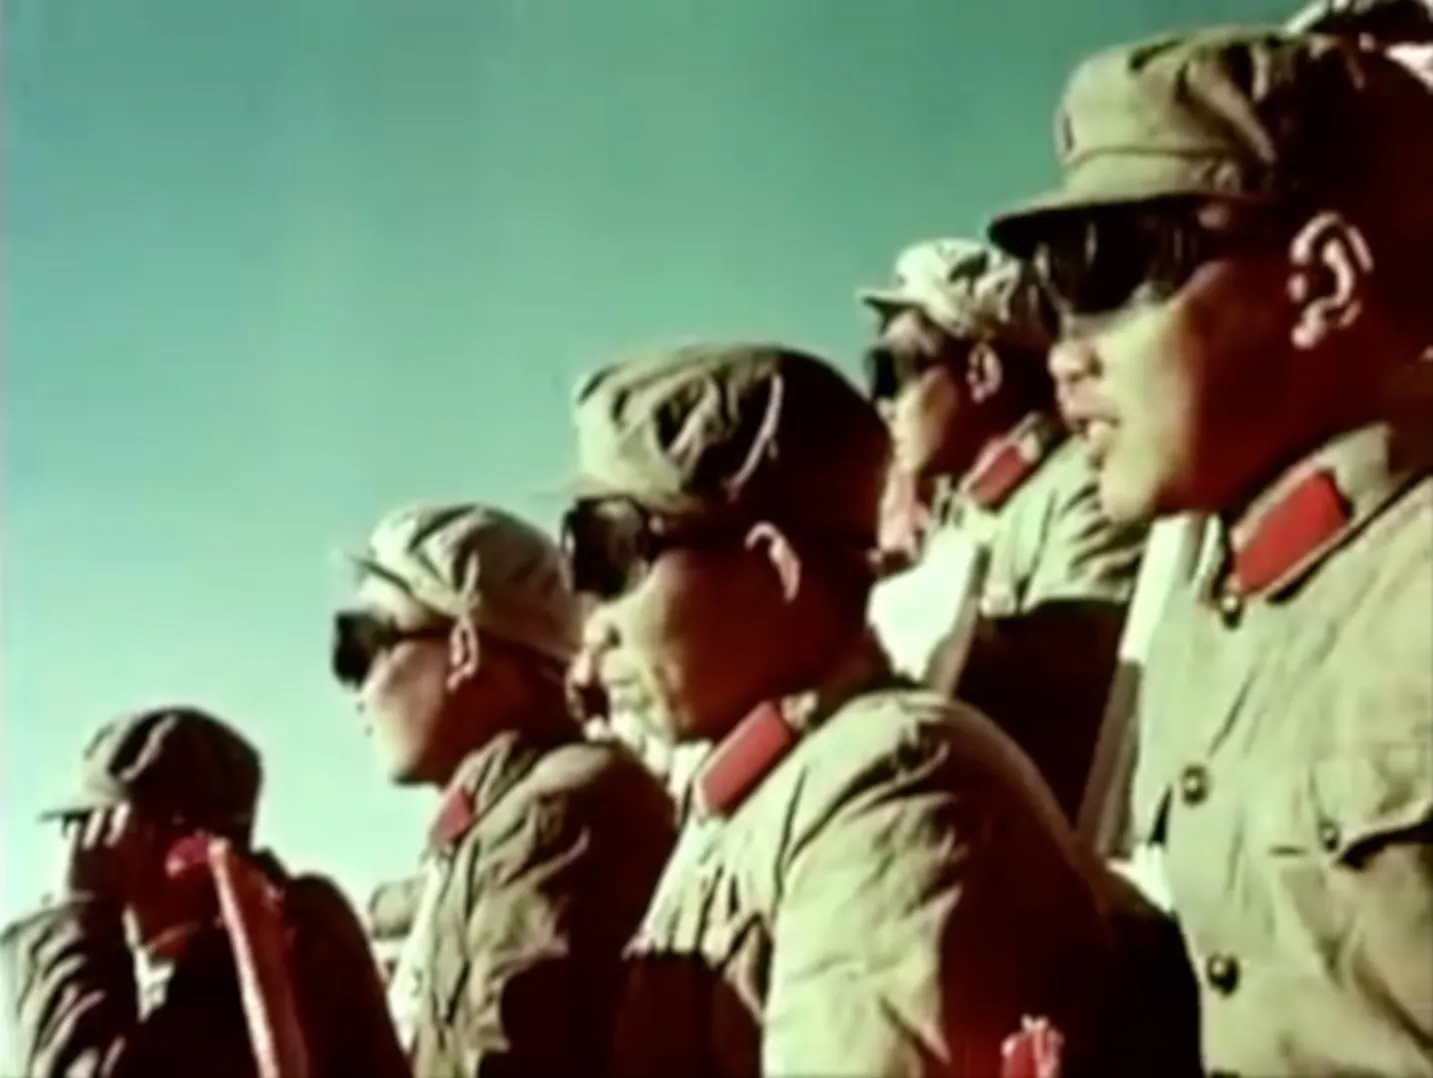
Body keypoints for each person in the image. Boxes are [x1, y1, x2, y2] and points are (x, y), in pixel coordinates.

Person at [563, 342, 1198, 1078]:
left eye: (614, 561)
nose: (594, 625)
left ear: (774, 566)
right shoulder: (765, 797)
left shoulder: (889, 785)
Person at [989, 25, 1433, 1077]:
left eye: (1113, 262)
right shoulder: (1201, 625)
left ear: (1320, 280)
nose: (1062, 354)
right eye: (1053, 286)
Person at [332, 501, 675, 1078]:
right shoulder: (498, 827)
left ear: (462, 650)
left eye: (363, 647)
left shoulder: (556, 817)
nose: (356, 688)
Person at [862, 238, 1146, 819]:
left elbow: (1076, 696)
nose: (883, 403)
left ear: (981, 371)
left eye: (893, 372)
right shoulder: (965, 517)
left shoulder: (1084, 491)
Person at [0, 705, 408, 1078]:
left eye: (103, 838)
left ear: (183, 852)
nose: (87, 857)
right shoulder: (271, 939)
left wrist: (77, 918)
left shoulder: (260, 967)